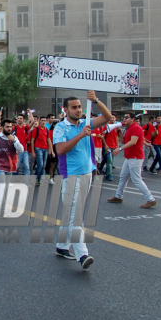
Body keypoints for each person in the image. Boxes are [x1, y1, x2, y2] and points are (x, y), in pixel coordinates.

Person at [53, 91, 111, 270]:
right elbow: (61, 150)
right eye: (74, 107)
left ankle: (62, 246)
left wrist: (96, 100)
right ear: (65, 110)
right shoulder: (60, 128)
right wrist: (80, 136)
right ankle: (82, 254)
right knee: (76, 216)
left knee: (72, 213)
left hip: (87, 174)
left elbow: (107, 117)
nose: (78, 110)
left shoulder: (87, 123)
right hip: (71, 175)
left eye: (79, 107)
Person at [108, 112, 157, 208]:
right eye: (123, 117)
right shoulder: (128, 128)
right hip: (129, 157)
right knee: (123, 177)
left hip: (135, 157)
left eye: (126, 117)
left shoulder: (136, 128)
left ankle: (150, 199)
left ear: (133, 119)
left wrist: (120, 149)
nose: (124, 119)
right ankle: (118, 196)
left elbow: (133, 142)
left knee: (136, 179)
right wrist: (120, 132)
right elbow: (123, 141)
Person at [31, 115, 54, 185]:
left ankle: (39, 179)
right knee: (40, 164)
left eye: (44, 121)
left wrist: (51, 150)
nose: (43, 122)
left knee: (43, 165)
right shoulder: (36, 129)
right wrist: (33, 152)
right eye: (42, 120)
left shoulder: (47, 130)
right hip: (38, 148)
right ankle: (36, 178)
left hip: (45, 149)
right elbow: (32, 140)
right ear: (39, 121)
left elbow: (49, 140)